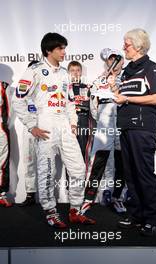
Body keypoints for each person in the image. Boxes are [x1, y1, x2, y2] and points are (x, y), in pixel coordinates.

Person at [12, 32, 95, 228]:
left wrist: (73, 123)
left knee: (78, 168)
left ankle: (75, 210)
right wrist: (32, 126)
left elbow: (68, 102)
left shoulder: (66, 73)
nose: (64, 52)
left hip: (65, 125)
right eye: (60, 48)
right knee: (47, 171)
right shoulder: (36, 70)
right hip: (45, 123)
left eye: (64, 48)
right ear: (49, 50)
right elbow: (18, 99)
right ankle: (51, 212)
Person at [113, 28, 156, 236]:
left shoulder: (151, 68)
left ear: (138, 46)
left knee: (144, 174)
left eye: (126, 44)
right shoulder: (127, 70)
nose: (123, 47)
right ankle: (136, 216)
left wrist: (127, 98)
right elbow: (121, 96)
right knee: (131, 175)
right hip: (125, 127)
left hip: (143, 129)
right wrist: (113, 89)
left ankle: (153, 219)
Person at [80, 48, 126, 214]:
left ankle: (118, 197)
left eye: (115, 58)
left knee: (122, 161)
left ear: (121, 60)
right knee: (99, 159)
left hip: (122, 122)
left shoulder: (129, 77)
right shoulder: (99, 80)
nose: (112, 62)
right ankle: (88, 198)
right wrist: (102, 121)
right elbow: (93, 106)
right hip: (105, 123)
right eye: (109, 59)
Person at [19, 60, 39, 206]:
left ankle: (49, 195)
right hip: (30, 130)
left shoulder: (47, 89)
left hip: (46, 129)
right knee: (29, 161)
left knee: (48, 163)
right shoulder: (22, 91)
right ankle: (30, 194)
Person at [67, 61, 90, 161]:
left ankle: (82, 176)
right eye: (72, 70)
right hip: (69, 120)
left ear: (81, 72)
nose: (75, 73)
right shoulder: (64, 87)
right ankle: (69, 176)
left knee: (82, 148)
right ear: (68, 73)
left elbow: (92, 106)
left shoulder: (87, 87)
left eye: (78, 70)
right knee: (69, 151)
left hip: (83, 118)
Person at [0, 81, 12, 207]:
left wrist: (3, 125)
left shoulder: (4, 86)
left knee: (2, 161)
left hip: (0, 129)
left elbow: (9, 112)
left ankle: (1, 194)